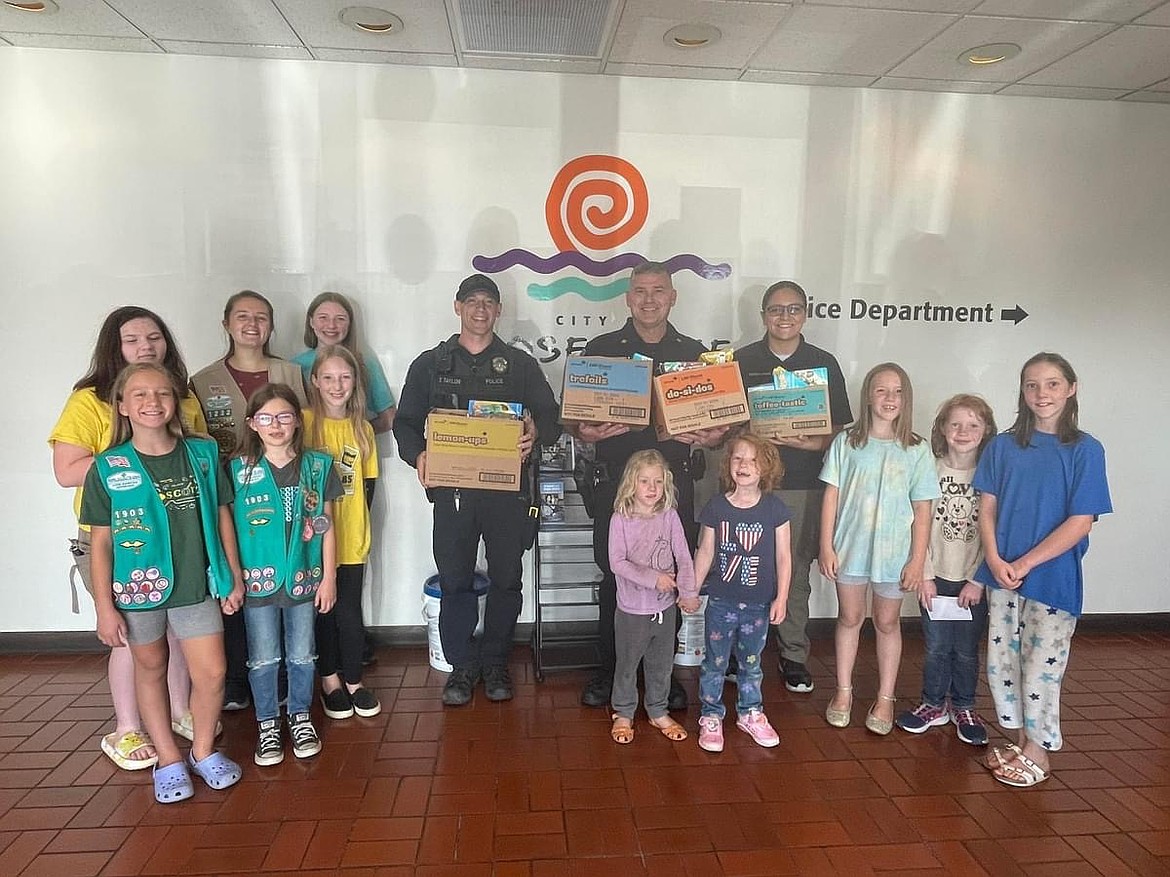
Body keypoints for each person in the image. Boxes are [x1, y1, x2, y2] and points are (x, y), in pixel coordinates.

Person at [49, 306, 209, 770]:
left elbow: (191, 459)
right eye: (132, 340)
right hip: (118, 537)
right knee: (130, 634)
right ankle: (126, 728)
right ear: (113, 348)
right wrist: (135, 467)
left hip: (179, 532)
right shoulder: (89, 400)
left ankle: (180, 712)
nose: (146, 347)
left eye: (154, 338)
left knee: (177, 633)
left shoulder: (183, 394)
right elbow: (66, 471)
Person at [81, 363, 245, 803]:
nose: (152, 402)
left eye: (162, 394)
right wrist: (104, 606)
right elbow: (101, 545)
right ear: (122, 405)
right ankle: (169, 759)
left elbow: (223, 514)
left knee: (212, 673)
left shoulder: (203, 454)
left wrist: (232, 575)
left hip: (196, 584)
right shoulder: (108, 467)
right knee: (150, 669)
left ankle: (204, 751)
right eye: (139, 395)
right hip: (137, 591)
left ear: (176, 402)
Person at [393, 273, 559, 707]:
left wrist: (535, 432)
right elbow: (405, 424)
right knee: (455, 580)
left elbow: (551, 418)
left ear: (499, 311)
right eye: (472, 302)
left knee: (507, 579)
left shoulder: (521, 366)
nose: (480, 309)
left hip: (508, 495)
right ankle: (463, 665)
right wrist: (418, 456)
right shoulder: (430, 364)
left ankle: (497, 661)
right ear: (458, 307)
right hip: (453, 496)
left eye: (488, 302)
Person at [571, 261, 728, 710]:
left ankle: (661, 675)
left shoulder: (696, 355)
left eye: (658, 291)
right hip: (615, 488)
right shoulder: (602, 350)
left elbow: (722, 423)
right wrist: (583, 432)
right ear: (628, 297)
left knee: (672, 577)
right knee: (614, 576)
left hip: (672, 489)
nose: (649, 299)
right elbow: (572, 418)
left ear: (673, 297)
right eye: (640, 291)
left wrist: (715, 435)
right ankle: (611, 672)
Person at [973, 353, 1111, 788]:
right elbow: (987, 506)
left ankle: (1040, 751)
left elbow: (1080, 521)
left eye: (1052, 384)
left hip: (1052, 580)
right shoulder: (1003, 446)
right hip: (1003, 575)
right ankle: (1019, 738)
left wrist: (1026, 562)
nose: (1042, 394)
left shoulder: (1086, 450)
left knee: (1041, 667)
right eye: (1032, 385)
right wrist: (995, 559)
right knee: (1002, 663)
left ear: (1070, 388)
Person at [190, 290, 307, 711]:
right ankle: (241, 676)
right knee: (236, 579)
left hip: (284, 491)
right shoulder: (203, 381)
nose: (252, 324)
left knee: (286, 582)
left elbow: (303, 435)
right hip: (227, 494)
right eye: (242, 316)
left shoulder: (291, 373)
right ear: (226, 323)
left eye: (261, 317)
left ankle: (285, 678)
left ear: (272, 325)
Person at [735, 281, 853, 693]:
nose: (784, 318)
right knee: (742, 567)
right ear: (763, 314)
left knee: (796, 570)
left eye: (793, 309)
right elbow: (726, 420)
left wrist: (813, 441)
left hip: (803, 483)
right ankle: (740, 651)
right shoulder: (741, 359)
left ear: (805, 314)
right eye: (775, 310)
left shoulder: (823, 363)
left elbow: (838, 428)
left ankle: (793, 654)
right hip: (748, 485)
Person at [819, 363, 938, 735]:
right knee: (850, 618)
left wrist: (918, 560)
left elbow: (923, 509)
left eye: (898, 391)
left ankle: (886, 697)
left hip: (895, 555)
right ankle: (843, 691)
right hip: (850, 548)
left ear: (907, 398)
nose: (890, 398)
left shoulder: (916, 449)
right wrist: (826, 545)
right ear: (868, 395)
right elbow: (831, 495)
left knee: (887, 622)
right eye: (882, 390)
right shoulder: (847, 443)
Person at [231, 383, 342, 764]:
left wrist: (329, 577)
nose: (275, 425)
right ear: (252, 423)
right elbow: (225, 528)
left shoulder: (317, 466)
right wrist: (231, 578)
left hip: (305, 578)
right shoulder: (238, 470)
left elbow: (327, 524)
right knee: (263, 658)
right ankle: (266, 723)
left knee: (302, 654)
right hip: (256, 582)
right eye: (266, 418)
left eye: (284, 417)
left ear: (297, 421)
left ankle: (299, 716)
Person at [896, 395, 997, 745]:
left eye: (973, 425)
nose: (963, 431)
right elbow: (918, 525)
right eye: (955, 424)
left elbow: (995, 534)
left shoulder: (991, 474)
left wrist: (978, 580)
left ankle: (965, 705)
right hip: (935, 579)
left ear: (986, 431)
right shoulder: (930, 468)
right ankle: (932, 703)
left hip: (974, 582)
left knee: (966, 649)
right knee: (937, 647)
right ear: (941, 428)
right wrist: (924, 573)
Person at [693, 433, 791, 752]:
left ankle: (750, 712)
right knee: (715, 662)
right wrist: (691, 589)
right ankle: (711, 715)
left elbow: (783, 557)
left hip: (758, 605)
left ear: (766, 467)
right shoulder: (717, 507)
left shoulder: (775, 509)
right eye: (737, 458)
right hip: (720, 603)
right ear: (728, 465)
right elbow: (705, 552)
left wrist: (782, 597)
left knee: (751, 662)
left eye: (752, 459)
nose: (744, 465)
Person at [304, 346, 381, 719]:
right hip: (310, 541)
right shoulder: (302, 424)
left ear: (356, 383)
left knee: (350, 611)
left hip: (350, 538)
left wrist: (360, 533)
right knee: (323, 613)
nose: (337, 385)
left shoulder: (363, 428)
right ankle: (329, 680)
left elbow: (367, 489)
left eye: (345, 377)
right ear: (315, 381)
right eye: (329, 377)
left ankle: (354, 679)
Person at [607, 450, 699, 745]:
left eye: (657, 482)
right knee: (627, 663)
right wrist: (653, 579)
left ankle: (658, 710)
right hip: (632, 610)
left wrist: (687, 592)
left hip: (665, 609)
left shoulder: (669, 516)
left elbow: (684, 557)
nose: (651, 488)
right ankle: (623, 712)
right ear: (631, 483)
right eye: (644, 481)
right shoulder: (620, 519)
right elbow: (617, 562)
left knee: (661, 665)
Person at [292, 292, 397, 434]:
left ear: (349, 324)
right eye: (323, 317)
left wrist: (352, 435)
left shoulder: (366, 363)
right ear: (311, 321)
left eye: (340, 319)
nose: (331, 325)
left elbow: (389, 418)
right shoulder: (294, 366)